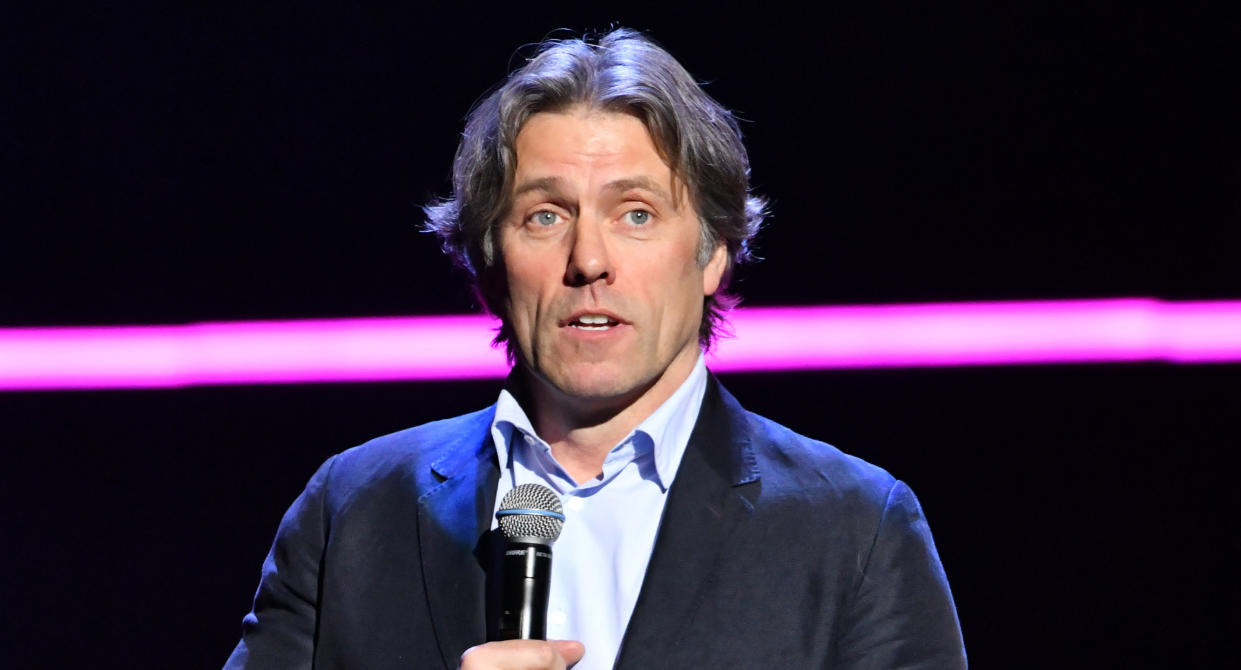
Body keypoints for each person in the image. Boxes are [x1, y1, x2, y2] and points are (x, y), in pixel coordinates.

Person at [225, 28, 966, 670]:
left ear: (714, 255)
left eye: (635, 214)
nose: (588, 260)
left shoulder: (854, 529)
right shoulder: (353, 511)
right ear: (487, 263)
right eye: (544, 216)